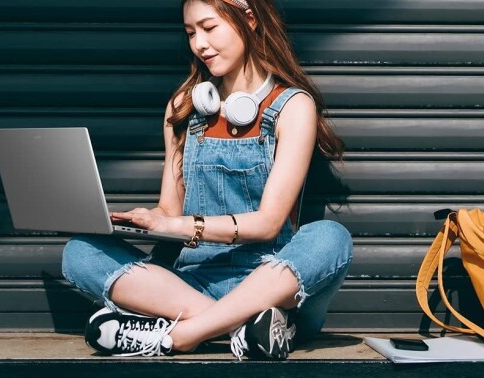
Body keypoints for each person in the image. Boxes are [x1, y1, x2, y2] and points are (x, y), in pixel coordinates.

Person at [61, 0, 353, 360]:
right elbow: (170, 207)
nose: (199, 43)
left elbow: (268, 224)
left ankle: (180, 335)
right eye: (190, 33)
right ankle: (242, 329)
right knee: (80, 253)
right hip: (192, 284)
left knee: (330, 238)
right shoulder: (183, 107)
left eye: (209, 27)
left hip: (272, 284)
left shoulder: (293, 107)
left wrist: (181, 225)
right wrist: (143, 220)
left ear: (249, 19)